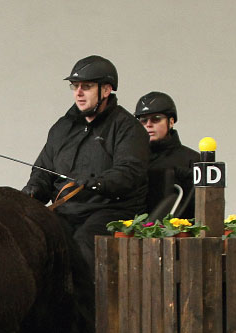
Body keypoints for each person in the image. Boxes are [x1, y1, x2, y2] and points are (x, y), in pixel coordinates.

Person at [23, 55, 149, 269]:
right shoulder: (62, 128)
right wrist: (34, 189)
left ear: (106, 90)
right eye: (75, 86)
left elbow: (129, 172)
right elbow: (43, 169)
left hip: (110, 211)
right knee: (30, 240)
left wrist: (97, 182)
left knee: (81, 247)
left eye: (87, 86)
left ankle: (84, 302)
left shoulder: (127, 128)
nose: (78, 93)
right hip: (66, 210)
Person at [135, 91, 199, 220]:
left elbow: (205, 205)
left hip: (180, 235)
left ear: (170, 122)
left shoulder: (192, 159)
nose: (148, 124)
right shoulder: (131, 159)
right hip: (134, 234)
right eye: (143, 120)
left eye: (156, 119)